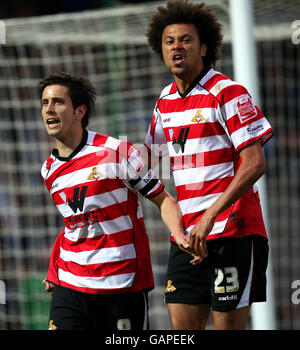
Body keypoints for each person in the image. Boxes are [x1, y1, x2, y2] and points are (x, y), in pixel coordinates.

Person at [144, 0, 274, 330]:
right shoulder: (165, 101)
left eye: (186, 39)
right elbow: (149, 160)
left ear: (204, 48)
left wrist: (210, 216)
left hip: (232, 232)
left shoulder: (228, 92)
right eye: (169, 40)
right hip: (187, 239)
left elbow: (255, 163)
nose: (176, 46)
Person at [39, 71, 193, 330]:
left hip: (121, 284)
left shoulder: (117, 152)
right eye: (45, 103)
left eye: (58, 102)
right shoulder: (48, 170)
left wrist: (180, 235)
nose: (49, 109)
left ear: (79, 111)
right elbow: (74, 224)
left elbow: (164, 200)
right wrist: (54, 270)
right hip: (71, 284)